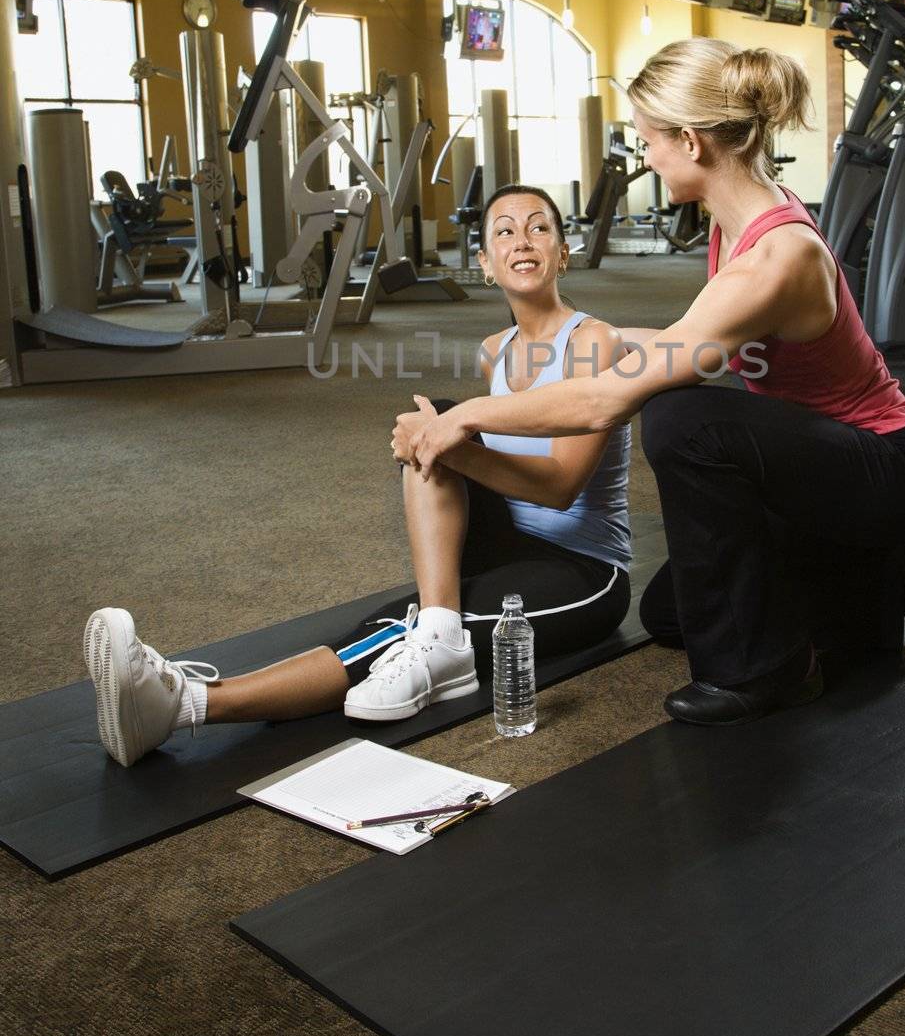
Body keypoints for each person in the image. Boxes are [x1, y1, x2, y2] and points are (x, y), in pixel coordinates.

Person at [393, 42, 905, 728]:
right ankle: (894, 567)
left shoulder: (773, 258)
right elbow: (688, 338)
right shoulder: (742, 216)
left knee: (680, 418)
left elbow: (612, 397)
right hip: (822, 463)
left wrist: (473, 415)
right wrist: (606, 339)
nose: (647, 157)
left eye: (648, 141)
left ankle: (764, 672)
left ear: (690, 141)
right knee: (671, 612)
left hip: (895, 463)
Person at [84, 185, 632, 767]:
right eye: (503, 231)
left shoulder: (593, 341)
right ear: (484, 262)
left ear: (563, 251)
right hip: (506, 547)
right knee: (437, 428)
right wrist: (441, 438)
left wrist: (450, 444)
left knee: (397, 625)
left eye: (538, 228)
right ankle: (439, 626)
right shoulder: (493, 350)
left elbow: (559, 485)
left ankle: (184, 704)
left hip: (585, 572)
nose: (521, 241)